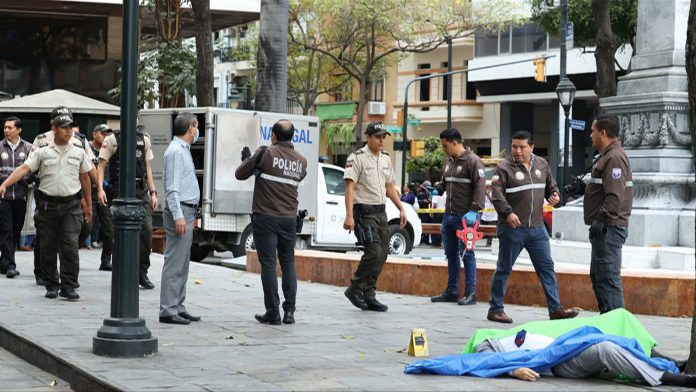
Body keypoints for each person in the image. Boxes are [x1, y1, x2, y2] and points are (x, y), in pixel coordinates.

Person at [405, 324, 694, 388]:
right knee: (605, 349)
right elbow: (485, 361)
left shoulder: (515, 331)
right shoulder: (489, 343)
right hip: (557, 362)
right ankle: (677, 379)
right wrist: (512, 371)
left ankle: (664, 363)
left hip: (564, 346)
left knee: (610, 336)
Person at [0, 113, 93, 300]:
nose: (69, 131)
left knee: (70, 246)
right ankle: (51, 284)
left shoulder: (78, 151)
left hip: (71, 206)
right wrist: (4, 184)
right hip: (48, 206)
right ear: (54, 129)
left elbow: (85, 177)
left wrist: (89, 204)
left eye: (70, 127)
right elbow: (24, 169)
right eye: (65, 127)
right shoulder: (42, 151)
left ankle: (68, 286)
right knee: (48, 247)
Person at [488, 130, 577, 323]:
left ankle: (555, 309)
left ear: (532, 147)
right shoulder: (504, 168)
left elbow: (551, 187)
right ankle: (495, 309)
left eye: (522, 147)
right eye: (514, 147)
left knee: (547, 268)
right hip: (512, 229)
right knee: (504, 268)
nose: (518, 151)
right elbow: (496, 195)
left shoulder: (542, 165)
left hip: (537, 229)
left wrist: (554, 195)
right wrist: (508, 213)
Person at [235, 120, 308, 325]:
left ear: (274, 136)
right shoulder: (302, 161)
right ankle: (290, 312)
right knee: (288, 262)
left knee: (268, 264)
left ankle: (273, 313)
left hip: (265, 218)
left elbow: (240, 174)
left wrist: (249, 160)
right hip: (289, 220)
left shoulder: (265, 153)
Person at [343, 122, 407, 312]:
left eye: (383, 137)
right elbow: (350, 187)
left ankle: (369, 294)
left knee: (383, 253)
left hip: (381, 211)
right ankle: (355, 288)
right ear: (368, 137)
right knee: (373, 251)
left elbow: (389, 187)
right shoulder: (357, 158)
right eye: (378, 137)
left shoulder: (386, 159)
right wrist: (349, 217)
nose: (381, 140)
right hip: (363, 211)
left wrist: (401, 208)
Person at [32, 106, 97, 286]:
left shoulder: (79, 142)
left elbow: (87, 171)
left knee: (70, 240)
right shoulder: (41, 141)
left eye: (69, 120)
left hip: (73, 196)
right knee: (46, 241)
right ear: (53, 123)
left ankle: (68, 282)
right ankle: (45, 275)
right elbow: (30, 168)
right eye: (61, 121)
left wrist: (95, 193)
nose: (67, 128)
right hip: (46, 194)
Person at [97, 124, 158, 288]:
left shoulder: (143, 140)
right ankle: (122, 272)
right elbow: (101, 165)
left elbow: (148, 169)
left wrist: (153, 192)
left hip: (140, 189)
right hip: (119, 190)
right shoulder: (112, 140)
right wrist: (100, 189)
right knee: (119, 233)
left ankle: (142, 272)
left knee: (146, 230)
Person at [584, 115, 633, 314]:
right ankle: (609, 322)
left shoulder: (613, 158)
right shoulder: (607, 155)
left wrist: (601, 220)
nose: (590, 136)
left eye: (593, 131)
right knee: (599, 277)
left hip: (609, 229)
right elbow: (605, 188)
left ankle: (618, 330)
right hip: (606, 228)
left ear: (603, 133)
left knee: (608, 279)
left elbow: (614, 195)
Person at [430, 128, 485, 306]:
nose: (444, 149)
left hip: (466, 218)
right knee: (451, 253)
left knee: (467, 254)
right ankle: (452, 291)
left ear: (455, 142)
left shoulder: (473, 161)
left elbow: (480, 188)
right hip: (449, 216)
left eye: (445, 145)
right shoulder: (448, 162)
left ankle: (471, 293)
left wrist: (474, 211)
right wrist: (437, 188)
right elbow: (445, 184)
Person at [159, 112, 201, 325]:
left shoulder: (183, 150)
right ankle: (168, 308)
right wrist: (178, 216)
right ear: (190, 127)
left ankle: (177, 305)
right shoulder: (176, 151)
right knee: (175, 261)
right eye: (196, 127)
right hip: (181, 210)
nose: (197, 131)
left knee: (182, 262)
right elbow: (172, 189)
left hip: (187, 210)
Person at [0, 117, 33, 278]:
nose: (6, 130)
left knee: (16, 229)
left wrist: (20, 179)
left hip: (21, 197)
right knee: (6, 230)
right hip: (3, 197)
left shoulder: (28, 148)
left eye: (10, 128)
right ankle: (11, 265)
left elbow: (32, 171)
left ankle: (4, 262)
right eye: (5, 127)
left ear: (19, 130)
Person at [89, 124, 113, 271]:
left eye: (107, 134)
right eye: (102, 134)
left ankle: (106, 260)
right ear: (94, 134)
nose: (105, 137)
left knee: (109, 228)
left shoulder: (110, 149)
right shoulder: (87, 148)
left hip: (105, 192)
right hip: (89, 191)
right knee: (86, 225)